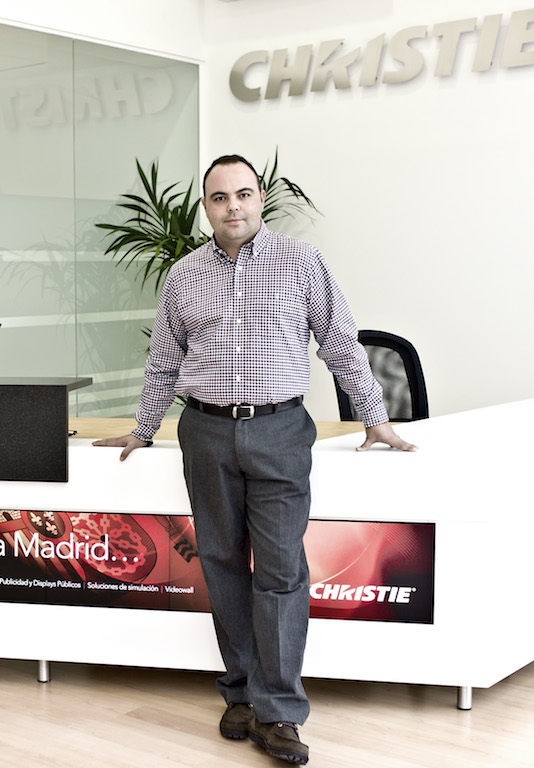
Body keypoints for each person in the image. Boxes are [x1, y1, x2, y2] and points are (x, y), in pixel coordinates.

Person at [94, 154, 417, 765]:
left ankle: (279, 711)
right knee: (220, 563)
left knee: (280, 570)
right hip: (206, 433)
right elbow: (164, 362)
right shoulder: (184, 276)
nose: (233, 206)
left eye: (243, 194)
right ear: (207, 207)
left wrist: (375, 418)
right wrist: (142, 428)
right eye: (220, 197)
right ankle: (241, 693)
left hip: (280, 431)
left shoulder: (301, 262)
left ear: (259, 198)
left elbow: (341, 344)